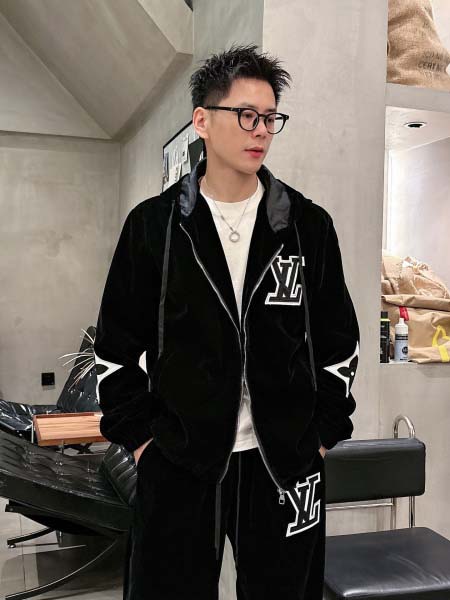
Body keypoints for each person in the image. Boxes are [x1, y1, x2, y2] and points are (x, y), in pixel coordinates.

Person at [93, 42, 360, 600]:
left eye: (269, 118)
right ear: (202, 122)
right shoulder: (155, 228)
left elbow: (338, 343)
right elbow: (114, 350)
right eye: (245, 115)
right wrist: (143, 443)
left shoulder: (307, 227)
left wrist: (320, 438)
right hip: (180, 461)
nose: (260, 131)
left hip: (285, 464)